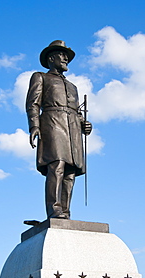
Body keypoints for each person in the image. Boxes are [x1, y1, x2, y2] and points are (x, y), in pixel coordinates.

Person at [26, 40, 92, 219]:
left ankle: (65, 211)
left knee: (71, 172)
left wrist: (83, 123)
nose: (65, 59)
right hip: (53, 124)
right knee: (57, 166)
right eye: (62, 55)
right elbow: (33, 103)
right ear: (51, 58)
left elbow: (77, 112)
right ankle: (54, 210)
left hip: (73, 130)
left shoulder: (73, 87)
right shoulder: (40, 77)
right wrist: (34, 126)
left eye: (66, 56)